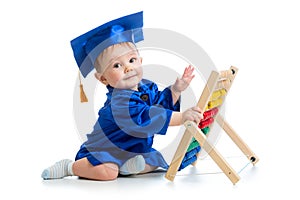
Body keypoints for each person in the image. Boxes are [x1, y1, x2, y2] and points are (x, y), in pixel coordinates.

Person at [41, 11, 202, 181]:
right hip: (105, 150)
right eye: (117, 65)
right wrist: (183, 116)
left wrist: (175, 90)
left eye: (132, 60)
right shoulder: (120, 103)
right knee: (108, 172)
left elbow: (160, 105)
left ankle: (127, 167)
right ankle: (70, 167)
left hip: (134, 150)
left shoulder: (147, 87)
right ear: (103, 78)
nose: (128, 68)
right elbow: (150, 116)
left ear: (140, 60)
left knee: (155, 160)